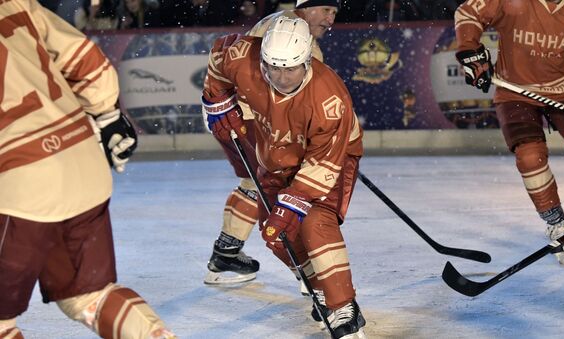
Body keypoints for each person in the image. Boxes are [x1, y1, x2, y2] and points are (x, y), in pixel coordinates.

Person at [0, 1, 175, 338]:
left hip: (20, 179)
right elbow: (83, 58)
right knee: (89, 298)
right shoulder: (16, 3)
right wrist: (107, 114)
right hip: (80, 155)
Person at [202, 17, 365, 338]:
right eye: (273, 68)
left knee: (314, 222)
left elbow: (322, 165)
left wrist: (293, 203)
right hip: (276, 151)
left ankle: (345, 307)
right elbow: (218, 60)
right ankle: (318, 287)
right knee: (276, 234)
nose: (281, 77)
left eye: (291, 69)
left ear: (307, 61)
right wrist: (217, 101)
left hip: (331, 156)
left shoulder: (329, 99)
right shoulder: (242, 59)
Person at [202, 0, 340, 285]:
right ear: (308, 5)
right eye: (327, 10)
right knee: (275, 189)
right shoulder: (288, 33)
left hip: (241, 119)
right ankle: (305, 275)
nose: (330, 20)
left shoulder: (284, 24)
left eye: (334, 13)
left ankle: (225, 254)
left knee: (253, 184)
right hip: (250, 120)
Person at [454, 0, 564, 263]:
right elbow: (468, 12)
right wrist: (470, 50)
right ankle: (554, 219)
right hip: (514, 91)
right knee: (530, 157)